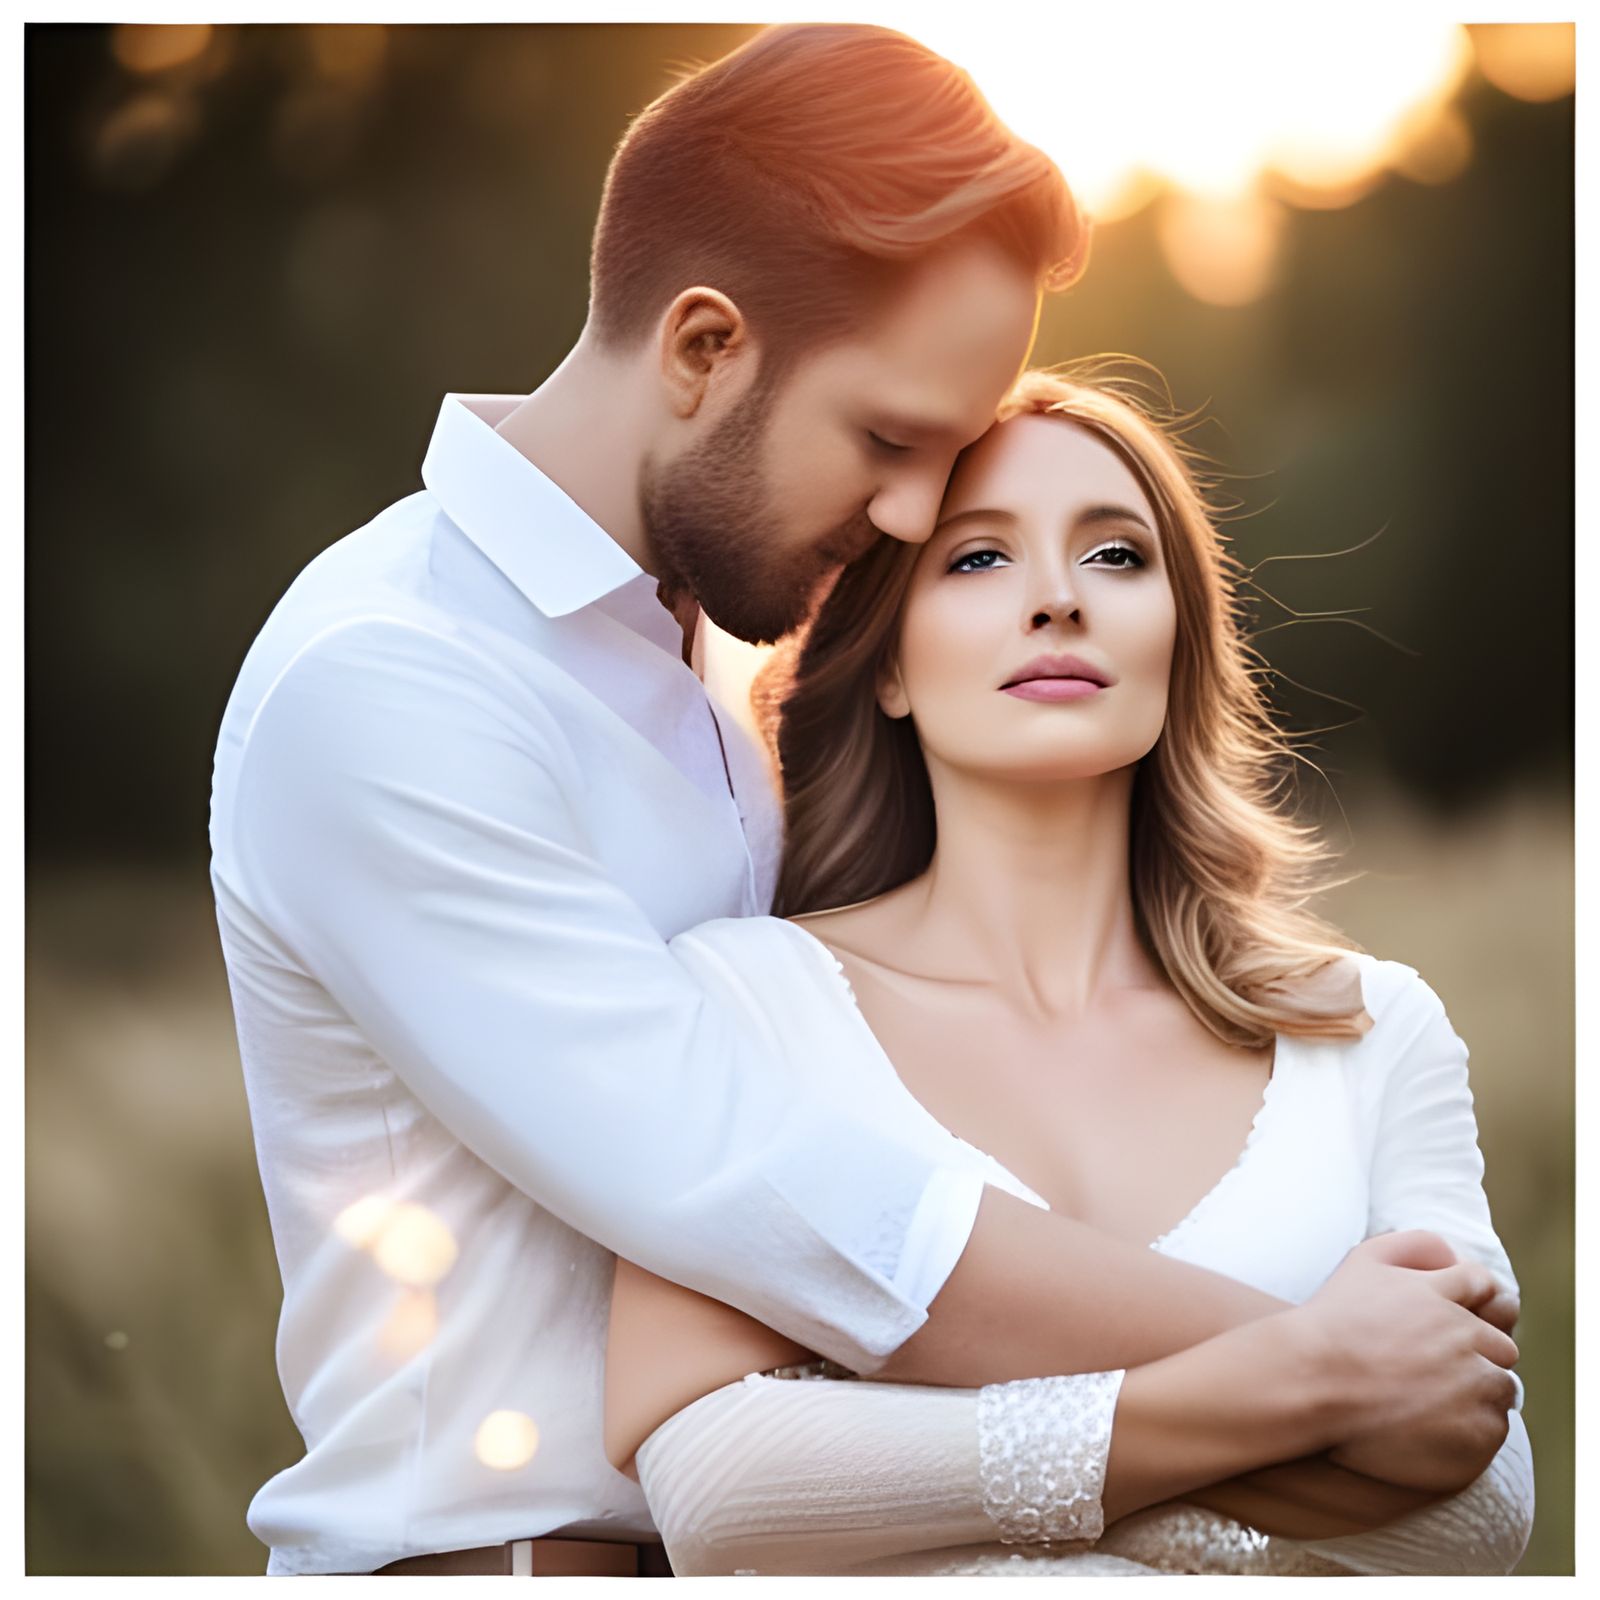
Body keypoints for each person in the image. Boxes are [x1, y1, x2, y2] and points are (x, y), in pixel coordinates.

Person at [209, 23, 1517, 1579]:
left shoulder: (692, 658)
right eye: (891, 443)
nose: (909, 512)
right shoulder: (394, 681)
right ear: (703, 347)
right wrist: (1323, 1371)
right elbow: (773, 1196)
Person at [602, 365, 1534, 1575]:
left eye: (1116, 556)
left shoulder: (1369, 1030)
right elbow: (724, 1489)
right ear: (884, 661)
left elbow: (1481, 1507)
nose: (1056, 599)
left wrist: (933, 1464)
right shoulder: (744, 1000)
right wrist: (1301, 1378)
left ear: (1177, 636)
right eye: (978, 559)